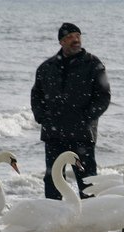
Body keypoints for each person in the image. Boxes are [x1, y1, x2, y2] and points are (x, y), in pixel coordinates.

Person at [30, 22, 112, 199]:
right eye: (69, 37)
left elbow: (104, 96)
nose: (75, 40)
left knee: (87, 180)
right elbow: (36, 95)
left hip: (82, 134)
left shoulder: (93, 65)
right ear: (61, 42)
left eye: (77, 36)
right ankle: (55, 218)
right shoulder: (46, 68)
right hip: (53, 134)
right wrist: (42, 117)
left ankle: (90, 219)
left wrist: (86, 117)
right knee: (53, 178)